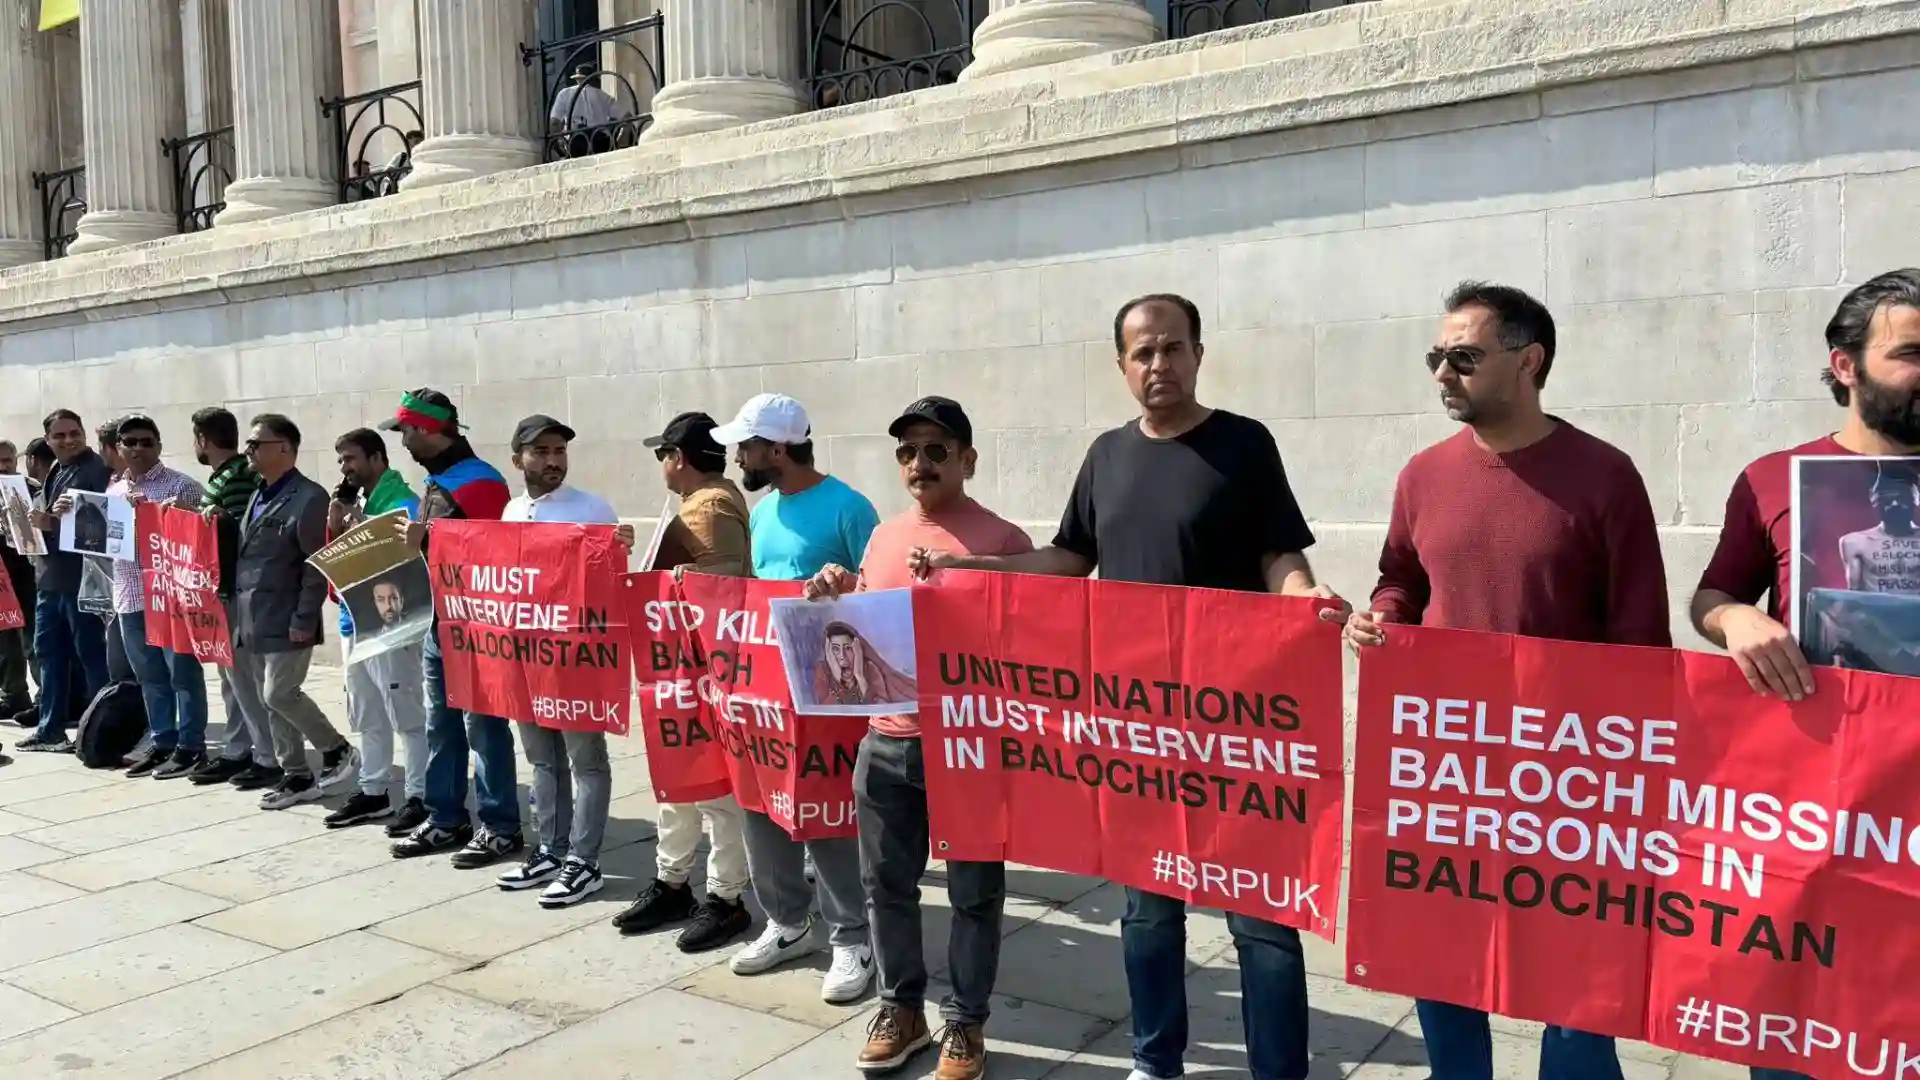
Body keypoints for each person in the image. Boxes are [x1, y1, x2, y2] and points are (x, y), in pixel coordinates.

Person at [917, 296, 1347, 1080]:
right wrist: (971, 571)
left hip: (1238, 725)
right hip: (1138, 730)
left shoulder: (1245, 446)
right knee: (1147, 913)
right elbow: (1068, 560)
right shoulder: (1107, 456)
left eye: (1172, 349)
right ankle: (1156, 1060)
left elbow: (1280, 556)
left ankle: (1279, 1071)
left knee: (1263, 922)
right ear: (1121, 367)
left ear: (1198, 354)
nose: (1160, 366)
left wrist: (1303, 601)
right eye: (1142, 354)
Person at [1345, 282, 1669, 1080]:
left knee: (1576, 988)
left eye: (1463, 357)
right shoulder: (1422, 475)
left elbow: (1640, 638)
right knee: (1441, 963)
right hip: (1449, 772)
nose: (1442, 374)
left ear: (1530, 362)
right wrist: (1382, 618)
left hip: (1570, 781)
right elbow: (1402, 578)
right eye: (1436, 357)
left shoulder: (1605, 476)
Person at [807, 397, 1033, 1079]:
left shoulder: (1004, 541)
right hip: (886, 742)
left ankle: (965, 1024)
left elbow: (1026, 645)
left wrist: (971, 582)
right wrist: (838, 589)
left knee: (973, 892)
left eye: (936, 450)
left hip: (966, 748)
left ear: (967, 459)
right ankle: (901, 1008)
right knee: (886, 885)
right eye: (907, 451)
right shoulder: (882, 536)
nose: (920, 463)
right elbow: (869, 622)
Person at [710, 392, 879, 1004]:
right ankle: (786, 921)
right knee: (760, 801)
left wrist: (842, 587)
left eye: (745, 447)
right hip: (762, 692)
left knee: (826, 812)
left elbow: (881, 595)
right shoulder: (763, 512)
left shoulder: (849, 508)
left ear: (777, 448)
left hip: (828, 698)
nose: (737, 458)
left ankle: (852, 937)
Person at [612, 412, 755, 952]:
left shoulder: (711, 505)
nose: (661, 466)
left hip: (704, 668)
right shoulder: (703, 503)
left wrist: (672, 580)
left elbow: (720, 591)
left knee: (715, 787)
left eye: (662, 455)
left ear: (679, 458)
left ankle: (725, 898)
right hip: (684, 666)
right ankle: (673, 883)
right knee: (678, 777)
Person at [382, 388, 521, 866]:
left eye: (404, 432)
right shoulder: (441, 480)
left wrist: (429, 539)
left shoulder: (480, 482)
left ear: (425, 429)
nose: (402, 443)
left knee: (483, 728)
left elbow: (494, 555)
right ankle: (446, 819)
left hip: (478, 627)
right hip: (442, 623)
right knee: (440, 725)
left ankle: (501, 826)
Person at [488, 414, 619, 907]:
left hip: (575, 660)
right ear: (517, 457)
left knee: (586, 761)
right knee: (542, 758)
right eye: (541, 452)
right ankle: (550, 848)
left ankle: (585, 861)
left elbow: (609, 585)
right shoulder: (510, 510)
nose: (552, 461)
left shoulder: (592, 509)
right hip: (525, 657)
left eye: (559, 451)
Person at [232, 414, 359, 810]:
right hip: (253, 615)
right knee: (268, 700)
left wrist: (305, 618)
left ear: (284, 448)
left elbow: (315, 563)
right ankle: (296, 774)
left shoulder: (309, 497)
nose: (248, 451)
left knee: (280, 693)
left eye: (257, 444)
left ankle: (335, 749)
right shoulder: (258, 492)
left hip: (288, 616)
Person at [322, 427, 429, 833]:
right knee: (366, 712)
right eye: (341, 461)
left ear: (377, 459)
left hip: (391, 626)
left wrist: (362, 525)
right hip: (355, 622)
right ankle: (374, 790)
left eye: (350, 459)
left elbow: (404, 557)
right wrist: (337, 526)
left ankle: (419, 795)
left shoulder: (401, 501)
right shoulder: (359, 501)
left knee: (407, 715)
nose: (345, 468)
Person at [99, 416, 209, 780]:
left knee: (182, 674)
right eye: (130, 442)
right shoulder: (112, 492)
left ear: (159, 445)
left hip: (172, 598)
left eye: (147, 442)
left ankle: (191, 746)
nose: (138, 449)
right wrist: (67, 518)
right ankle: (163, 741)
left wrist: (157, 513)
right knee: (150, 676)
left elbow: (201, 541)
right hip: (129, 595)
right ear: (119, 447)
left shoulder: (183, 486)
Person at [184, 407, 277, 788]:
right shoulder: (225, 476)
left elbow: (241, 535)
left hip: (234, 589)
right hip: (218, 590)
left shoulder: (239, 477)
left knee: (244, 678)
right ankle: (239, 748)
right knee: (229, 676)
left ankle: (266, 754)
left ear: (203, 439)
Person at [18, 409, 112, 753]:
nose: (69, 440)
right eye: (60, 435)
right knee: (48, 654)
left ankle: (96, 729)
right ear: (48, 440)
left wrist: (50, 524)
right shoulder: (57, 468)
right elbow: (45, 517)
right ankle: (50, 728)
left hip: (81, 581)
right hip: (50, 580)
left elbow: (99, 526)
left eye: (75, 432)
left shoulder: (96, 469)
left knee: (90, 657)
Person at [1840, 466, 1920, 592]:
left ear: (1916, 499)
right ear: (1874, 500)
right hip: (1875, 611)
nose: (1895, 504)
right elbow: (1854, 595)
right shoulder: (1855, 542)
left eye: (1902, 497)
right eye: (1888, 498)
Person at [0, 439, 35, 725]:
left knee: (33, 641)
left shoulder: (30, 488)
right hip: (2, 580)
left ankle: (44, 698)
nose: (3, 466)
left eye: (7, 460)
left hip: (27, 575)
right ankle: (14, 695)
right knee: (4, 642)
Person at [812, 621, 916, 708]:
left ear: (857, 649)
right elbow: (826, 710)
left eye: (848, 648)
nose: (842, 655)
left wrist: (860, 677)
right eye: (835, 649)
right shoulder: (822, 671)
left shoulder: (869, 668)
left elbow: (881, 708)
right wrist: (840, 681)